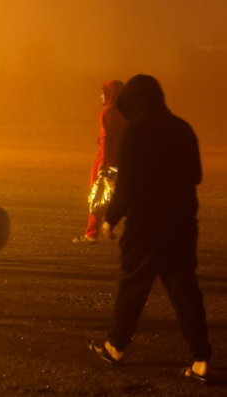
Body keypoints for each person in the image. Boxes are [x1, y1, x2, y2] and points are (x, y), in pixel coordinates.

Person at [87, 75, 212, 383]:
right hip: (181, 224)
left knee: (132, 286)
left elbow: (127, 185)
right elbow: (196, 175)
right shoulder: (183, 128)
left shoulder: (135, 131)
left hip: (145, 225)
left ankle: (116, 346)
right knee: (185, 291)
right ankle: (201, 359)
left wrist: (110, 218)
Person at [74, 80, 126, 243]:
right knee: (123, 197)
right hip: (124, 161)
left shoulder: (108, 112)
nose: (100, 96)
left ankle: (91, 234)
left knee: (97, 196)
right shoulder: (128, 112)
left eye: (103, 92)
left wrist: (103, 164)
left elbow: (106, 139)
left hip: (106, 160)